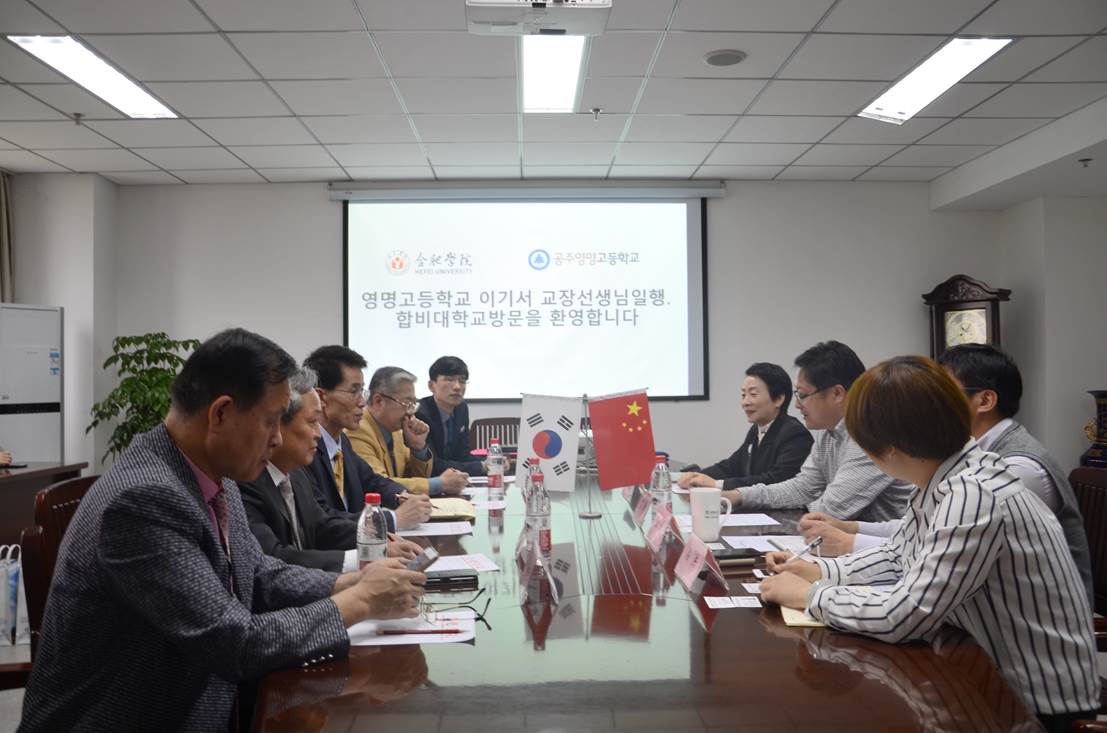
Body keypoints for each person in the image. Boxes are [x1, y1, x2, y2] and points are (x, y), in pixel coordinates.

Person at [17, 329, 426, 732]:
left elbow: (258, 574)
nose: (277, 438)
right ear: (221, 414)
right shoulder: (144, 499)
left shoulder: (213, 473)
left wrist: (349, 582)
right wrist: (360, 601)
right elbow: (235, 644)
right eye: (271, 422)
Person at [760, 356, 1099, 730]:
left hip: (1032, 704)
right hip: (982, 672)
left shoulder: (974, 494)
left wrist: (810, 595)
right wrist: (817, 570)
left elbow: (906, 615)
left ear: (889, 447)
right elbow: (898, 555)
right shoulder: (946, 477)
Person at [798, 344, 1094, 604]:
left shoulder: (1015, 469)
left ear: (984, 401)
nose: (928, 403)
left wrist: (839, 559)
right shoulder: (957, 458)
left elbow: (933, 557)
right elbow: (920, 533)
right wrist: (852, 529)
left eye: (941, 393)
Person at [239, 366, 422, 572]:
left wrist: (377, 541)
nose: (318, 434)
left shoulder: (296, 474)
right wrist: (364, 558)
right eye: (312, 422)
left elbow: (322, 527)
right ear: (277, 424)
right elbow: (274, 559)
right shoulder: (245, 482)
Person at [721, 341, 912, 522]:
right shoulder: (828, 431)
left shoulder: (872, 433)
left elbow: (831, 509)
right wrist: (740, 495)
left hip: (890, 542)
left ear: (837, 393)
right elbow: (804, 487)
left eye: (803, 395)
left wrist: (798, 509)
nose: (797, 404)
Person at [302, 346, 431, 530]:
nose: (362, 402)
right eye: (354, 391)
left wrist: (402, 496)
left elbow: (373, 481)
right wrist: (394, 519)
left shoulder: (341, 442)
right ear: (321, 397)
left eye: (362, 391)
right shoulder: (305, 448)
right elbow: (321, 520)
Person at [677, 362, 812, 490]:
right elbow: (732, 466)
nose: (745, 402)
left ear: (778, 399)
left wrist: (717, 484)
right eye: (743, 395)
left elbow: (776, 480)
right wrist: (696, 476)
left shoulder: (795, 434)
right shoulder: (757, 429)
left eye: (753, 394)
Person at [348, 366, 468, 497]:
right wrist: (440, 484)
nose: (411, 412)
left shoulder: (395, 430)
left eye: (413, 404)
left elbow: (414, 477)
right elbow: (379, 484)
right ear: (378, 401)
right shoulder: (358, 430)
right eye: (407, 403)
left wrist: (418, 448)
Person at [415, 355, 485, 477]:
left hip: (452, 480)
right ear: (431, 386)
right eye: (449, 380)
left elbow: (462, 455)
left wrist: (491, 462)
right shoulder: (421, 413)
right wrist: (480, 467)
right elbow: (432, 464)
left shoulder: (461, 408)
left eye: (462, 381)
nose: (457, 387)